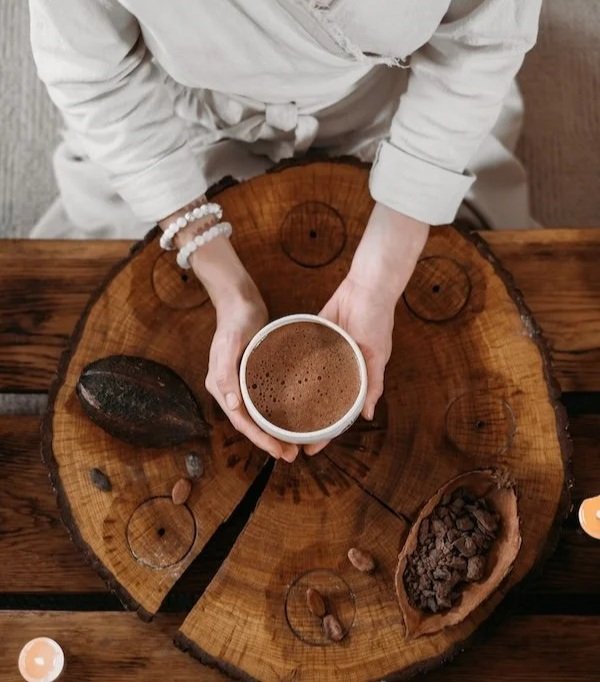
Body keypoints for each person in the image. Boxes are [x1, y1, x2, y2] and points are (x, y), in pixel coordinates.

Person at [29, 0, 542, 463]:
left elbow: (479, 40)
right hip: (186, 117)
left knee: (477, 260)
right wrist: (226, 283)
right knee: (124, 276)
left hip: (386, 99)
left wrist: (379, 276)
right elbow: (94, 77)